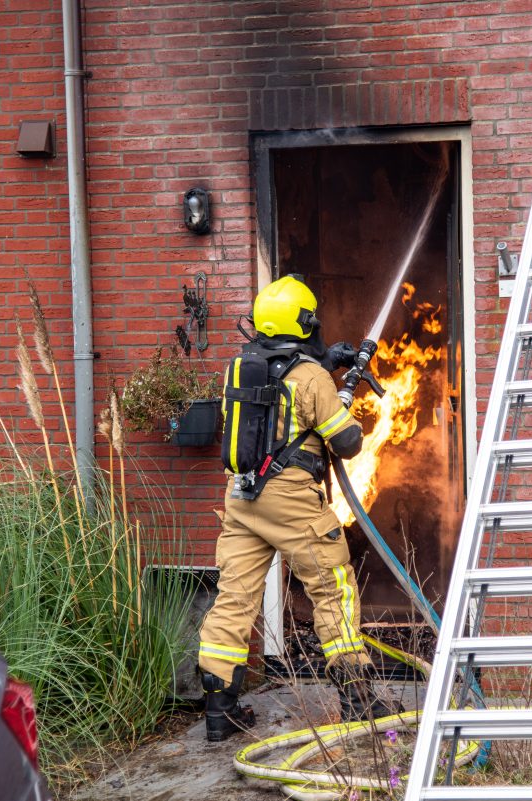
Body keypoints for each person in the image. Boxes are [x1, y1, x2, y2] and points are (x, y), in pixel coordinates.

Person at [197, 274, 401, 742]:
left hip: (241, 499)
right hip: (290, 500)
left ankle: (218, 714)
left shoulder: (238, 366)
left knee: (235, 598)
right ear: (304, 321)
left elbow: (279, 385)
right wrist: (339, 396)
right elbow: (347, 443)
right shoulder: (310, 378)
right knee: (333, 588)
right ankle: (357, 698)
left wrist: (332, 363)